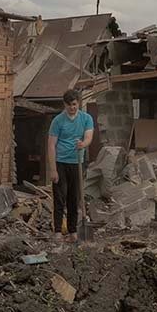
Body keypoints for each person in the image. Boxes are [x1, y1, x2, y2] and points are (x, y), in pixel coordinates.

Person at [47, 89, 94, 243]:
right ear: (64, 105)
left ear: (78, 103)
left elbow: (88, 137)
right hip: (61, 162)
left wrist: (83, 144)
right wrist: (53, 169)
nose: (72, 108)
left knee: (74, 198)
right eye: (69, 105)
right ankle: (58, 231)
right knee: (60, 198)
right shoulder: (58, 121)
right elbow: (51, 145)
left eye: (74, 105)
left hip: (77, 162)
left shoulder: (86, 118)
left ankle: (73, 231)